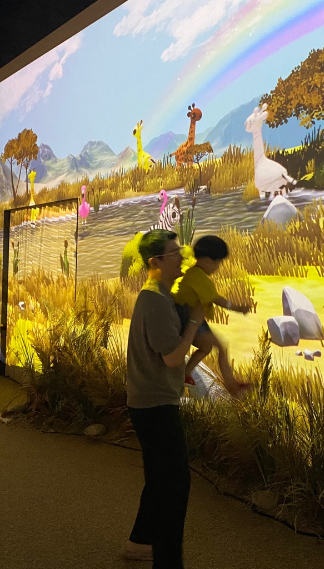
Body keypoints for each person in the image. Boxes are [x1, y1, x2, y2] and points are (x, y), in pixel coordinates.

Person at [123, 229, 204, 567]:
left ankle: (140, 542)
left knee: (160, 479)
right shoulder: (155, 300)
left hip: (151, 401)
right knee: (174, 485)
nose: (181, 257)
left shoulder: (160, 296)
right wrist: (195, 322)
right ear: (155, 261)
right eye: (174, 253)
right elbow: (171, 357)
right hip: (155, 405)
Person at [173, 235, 250, 395]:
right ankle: (232, 386)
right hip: (190, 319)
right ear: (207, 261)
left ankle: (186, 373)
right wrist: (237, 308)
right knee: (220, 347)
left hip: (193, 317)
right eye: (217, 263)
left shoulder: (193, 273)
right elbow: (216, 299)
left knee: (207, 347)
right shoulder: (199, 277)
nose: (218, 267)